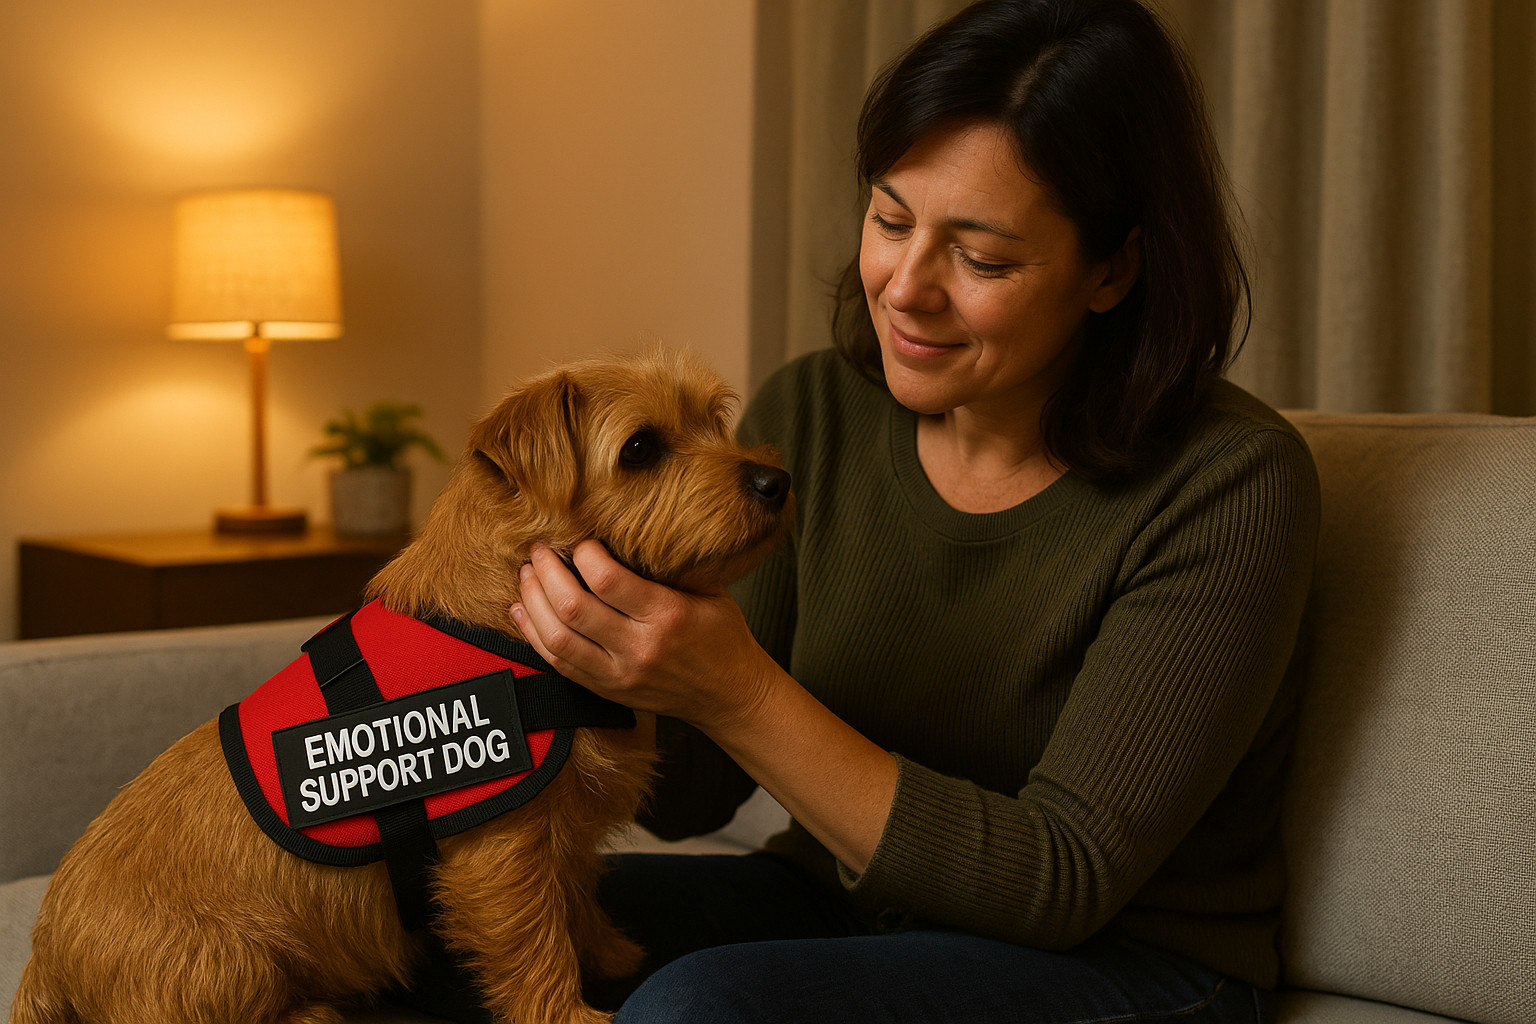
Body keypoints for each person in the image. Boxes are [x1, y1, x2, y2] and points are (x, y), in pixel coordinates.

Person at [503, 1, 1320, 1021]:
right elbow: (692, 798)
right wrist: (572, 647)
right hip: (841, 898)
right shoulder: (812, 411)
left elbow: (1059, 880)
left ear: (1112, 268)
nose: (904, 288)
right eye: (891, 220)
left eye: (981, 259)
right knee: (442, 937)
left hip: (1129, 961)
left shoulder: (1230, 482)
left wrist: (735, 689)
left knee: (703, 1008)